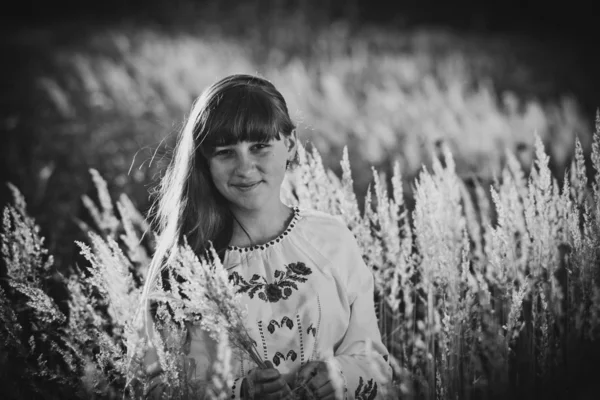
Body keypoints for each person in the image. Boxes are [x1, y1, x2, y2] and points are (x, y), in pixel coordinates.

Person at [137, 74, 392, 399]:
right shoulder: (185, 263)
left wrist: (339, 376)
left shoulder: (332, 239)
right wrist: (239, 393)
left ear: (290, 144)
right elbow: (155, 384)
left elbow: (375, 361)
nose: (245, 168)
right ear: (205, 161)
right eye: (225, 152)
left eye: (259, 147)